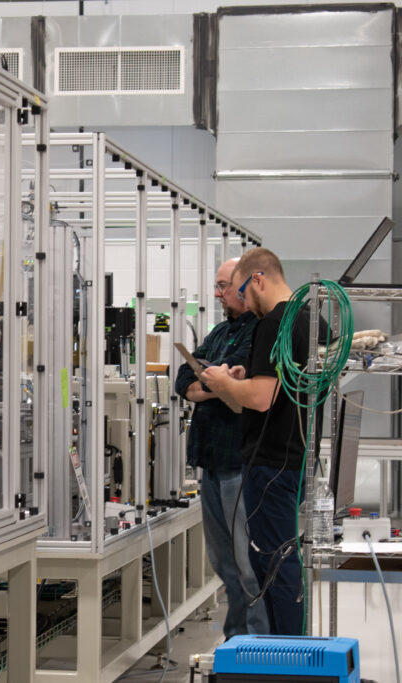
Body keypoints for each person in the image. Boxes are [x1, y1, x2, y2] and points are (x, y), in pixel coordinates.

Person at [201, 248, 320, 636]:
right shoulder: (302, 318)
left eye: (242, 292)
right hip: (289, 459)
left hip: (268, 464)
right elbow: (275, 387)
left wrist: (222, 383)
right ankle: (288, 649)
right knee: (280, 562)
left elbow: (261, 398)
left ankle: (286, 656)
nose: (244, 304)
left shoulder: (273, 323)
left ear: (258, 280)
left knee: (273, 565)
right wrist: (241, 378)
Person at [175, 258, 268, 638]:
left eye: (224, 286)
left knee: (248, 564)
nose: (218, 294)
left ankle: (261, 647)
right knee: (223, 564)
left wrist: (213, 380)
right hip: (209, 464)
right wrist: (212, 382)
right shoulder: (218, 332)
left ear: (247, 286)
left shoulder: (259, 332)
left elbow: (236, 376)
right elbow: (184, 379)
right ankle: (235, 642)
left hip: (238, 463)